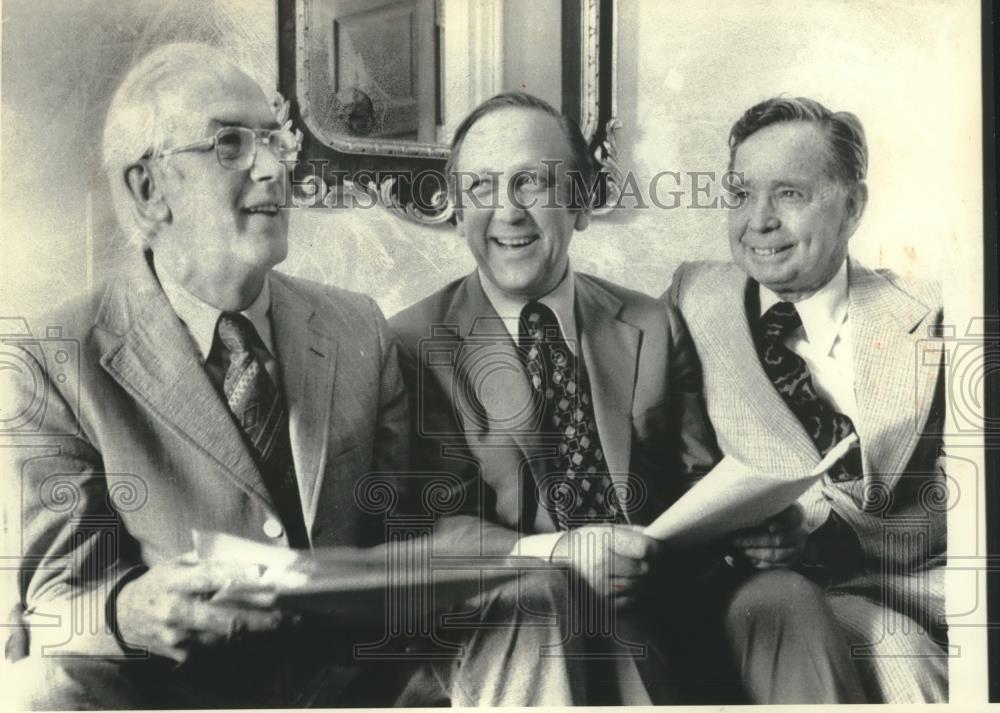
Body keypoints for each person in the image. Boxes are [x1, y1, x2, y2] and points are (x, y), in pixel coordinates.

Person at [2, 44, 581, 708]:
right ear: (147, 188)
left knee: (534, 595)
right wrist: (132, 608)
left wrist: (547, 550)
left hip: (357, 679)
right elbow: (53, 602)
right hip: (179, 690)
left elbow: (420, 526)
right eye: (231, 144)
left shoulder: (355, 324)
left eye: (276, 141)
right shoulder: (57, 357)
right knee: (36, 689)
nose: (275, 167)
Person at [389, 91, 723, 703]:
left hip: (652, 598)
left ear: (583, 203)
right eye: (482, 188)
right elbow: (419, 525)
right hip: (515, 613)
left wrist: (759, 521)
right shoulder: (412, 342)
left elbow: (699, 481)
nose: (507, 211)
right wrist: (561, 552)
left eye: (531, 184)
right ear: (457, 211)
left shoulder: (652, 321)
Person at [667, 96, 948, 703]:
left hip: (921, 581)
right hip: (786, 594)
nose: (758, 220)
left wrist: (830, 535)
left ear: (853, 207)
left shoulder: (932, 316)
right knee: (899, 656)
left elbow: (968, 493)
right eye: (740, 194)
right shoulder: (696, 300)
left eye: (789, 194)